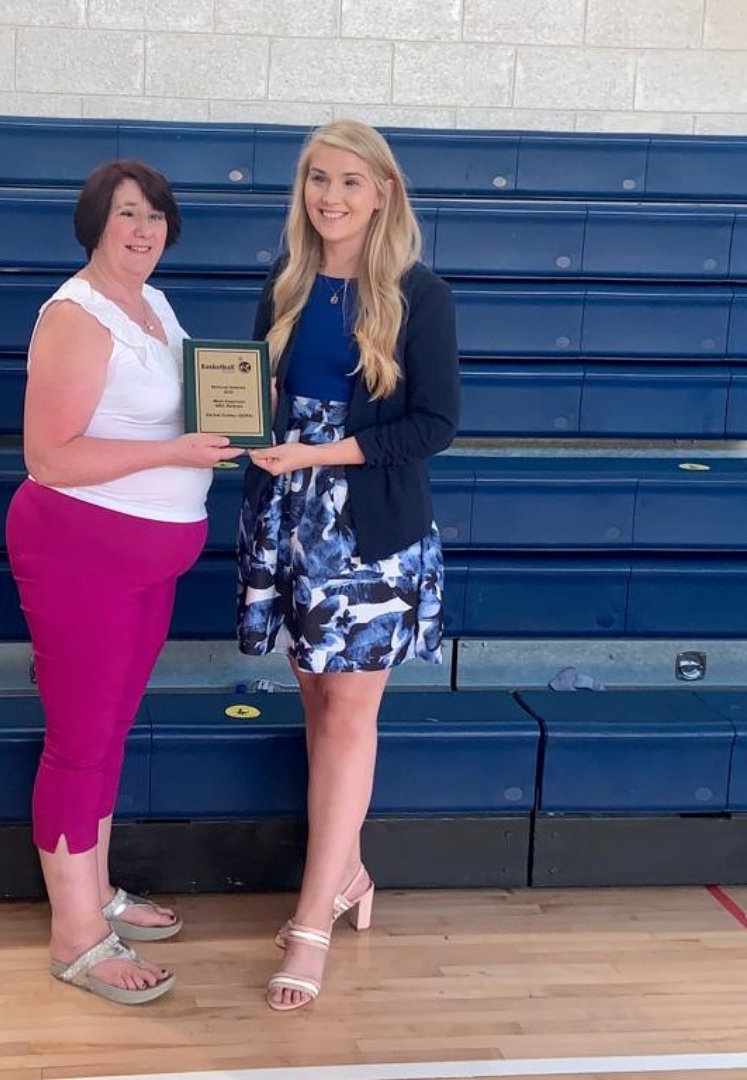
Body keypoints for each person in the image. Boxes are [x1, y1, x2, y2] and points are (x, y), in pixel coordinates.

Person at [5, 160, 242, 1005]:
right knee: (79, 739)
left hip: (146, 559)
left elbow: (164, 407)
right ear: (93, 225)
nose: (142, 231)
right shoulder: (78, 315)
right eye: (125, 216)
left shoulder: (155, 304)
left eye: (154, 217)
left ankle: (95, 891)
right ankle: (76, 938)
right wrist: (174, 451)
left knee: (108, 732)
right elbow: (49, 457)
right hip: (81, 551)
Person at [237, 120, 460, 1012]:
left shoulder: (419, 294)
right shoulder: (285, 287)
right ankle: (350, 872)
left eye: (350, 183)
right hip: (288, 521)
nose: (331, 196)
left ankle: (314, 921)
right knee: (317, 706)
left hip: (367, 532)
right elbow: (255, 400)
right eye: (318, 180)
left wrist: (320, 457)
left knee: (348, 718)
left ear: (383, 195)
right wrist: (241, 439)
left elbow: (433, 426)